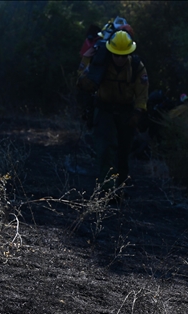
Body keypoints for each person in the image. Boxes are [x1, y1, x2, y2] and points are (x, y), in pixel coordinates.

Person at [77, 30, 148, 193]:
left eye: (124, 55)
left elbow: (142, 93)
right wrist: (87, 58)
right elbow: (81, 79)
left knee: (123, 152)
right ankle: (107, 190)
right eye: (117, 55)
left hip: (126, 112)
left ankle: (120, 187)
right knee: (105, 149)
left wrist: (138, 113)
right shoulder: (99, 62)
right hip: (104, 110)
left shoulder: (137, 67)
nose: (120, 58)